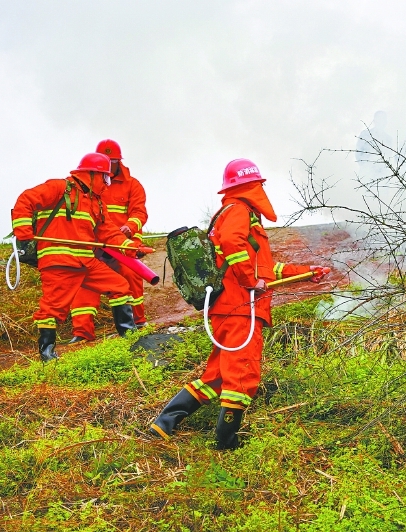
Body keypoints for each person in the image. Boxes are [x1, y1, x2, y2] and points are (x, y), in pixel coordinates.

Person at [149, 159, 331, 450]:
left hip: (228, 308)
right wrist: (249, 281)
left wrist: (307, 272)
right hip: (240, 309)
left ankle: (164, 423)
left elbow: (267, 269)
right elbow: (234, 246)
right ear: (252, 185)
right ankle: (226, 442)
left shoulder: (235, 214)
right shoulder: (238, 211)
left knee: (216, 377)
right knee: (242, 374)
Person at [10, 153, 144, 362]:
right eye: (105, 178)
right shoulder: (59, 188)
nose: (107, 184)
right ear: (91, 175)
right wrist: (22, 229)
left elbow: (108, 231)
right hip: (58, 261)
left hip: (86, 263)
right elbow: (26, 200)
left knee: (119, 286)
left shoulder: (95, 202)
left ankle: (129, 337)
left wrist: (129, 247)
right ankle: (47, 355)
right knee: (52, 308)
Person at [69, 139, 149, 343]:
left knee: (131, 274)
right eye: (105, 160)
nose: (109, 165)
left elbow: (139, 212)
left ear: (119, 161)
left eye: (112, 161)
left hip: (122, 243)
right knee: (84, 282)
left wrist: (129, 228)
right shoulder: (87, 186)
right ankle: (82, 333)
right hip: (95, 245)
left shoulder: (133, 185)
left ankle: (138, 322)